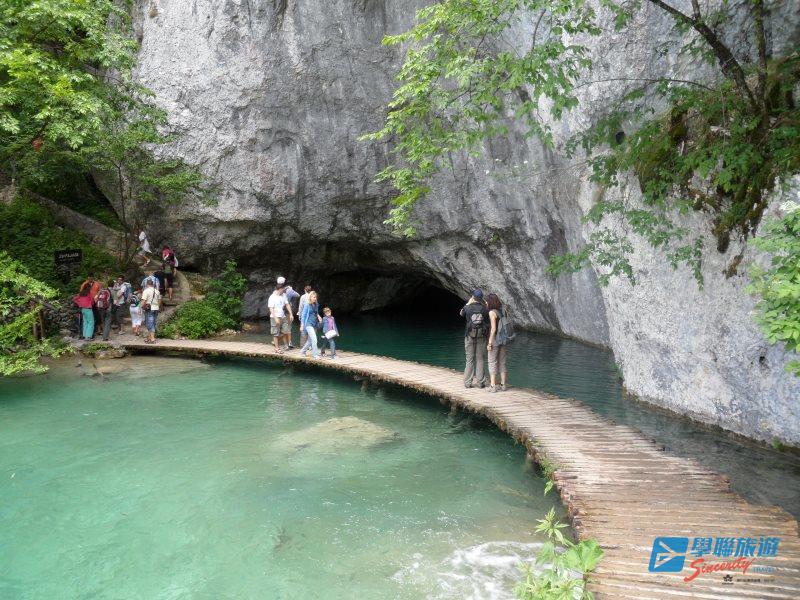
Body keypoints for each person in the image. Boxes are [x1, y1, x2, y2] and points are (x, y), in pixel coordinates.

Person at [459, 289, 489, 388]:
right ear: (481, 298)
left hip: (469, 336)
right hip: (481, 336)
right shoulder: (484, 308)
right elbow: (487, 317)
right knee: (480, 359)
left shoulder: (467, 307)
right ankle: (480, 382)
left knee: (469, 360)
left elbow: (461, 314)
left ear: (473, 297)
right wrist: (485, 303)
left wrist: (468, 303)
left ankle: (468, 382)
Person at [486, 293, 510, 392]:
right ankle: (503, 385)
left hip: (495, 339)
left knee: (492, 361)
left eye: (487, 301)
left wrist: (489, 342)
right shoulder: (504, 310)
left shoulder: (492, 312)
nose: (486, 303)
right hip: (504, 339)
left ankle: (493, 386)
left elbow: (493, 329)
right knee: (502, 362)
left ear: (490, 302)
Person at [268, 285, 292, 353]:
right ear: (279, 289)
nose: (284, 291)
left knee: (286, 331)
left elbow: (287, 304)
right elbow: (271, 308)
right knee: (275, 333)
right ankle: (277, 348)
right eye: (283, 289)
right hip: (274, 317)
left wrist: (291, 314)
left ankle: (275, 342)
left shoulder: (284, 295)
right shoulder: (272, 297)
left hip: (282, 316)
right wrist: (275, 318)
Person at [300, 291, 321, 358]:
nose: (315, 298)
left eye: (316, 297)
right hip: (308, 324)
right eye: (314, 297)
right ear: (310, 297)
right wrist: (302, 325)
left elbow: (316, 313)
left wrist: (319, 317)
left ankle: (303, 351)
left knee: (310, 340)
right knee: (314, 339)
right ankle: (315, 355)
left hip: (315, 324)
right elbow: (303, 315)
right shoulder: (307, 305)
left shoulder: (316, 304)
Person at [141, 279, 161, 344]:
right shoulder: (157, 291)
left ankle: (152, 339)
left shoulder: (146, 291)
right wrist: (157, 307)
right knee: (153, 323)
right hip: (156, 308)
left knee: (150, 323)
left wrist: (140, 307)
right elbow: (159, 300)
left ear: (147, 284)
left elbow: (143, 301)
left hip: (149, 309)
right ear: (152, 284)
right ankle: (149, 338)